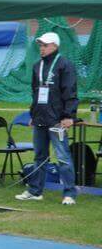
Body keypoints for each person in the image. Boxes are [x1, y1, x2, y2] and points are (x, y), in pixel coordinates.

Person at [16, 32, 78, 205]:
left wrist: (68, 116)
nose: (42, 48)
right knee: (39, 157)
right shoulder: (37, 66)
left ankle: (69, 194)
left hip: (57, 120)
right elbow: (35, 93)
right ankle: (35, 191)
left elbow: (70, 91)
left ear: (55, 46)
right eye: (40, 45)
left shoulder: (65, 65)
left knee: (63, 157)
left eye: (45, 45)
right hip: (40, 119)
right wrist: (33, 114)